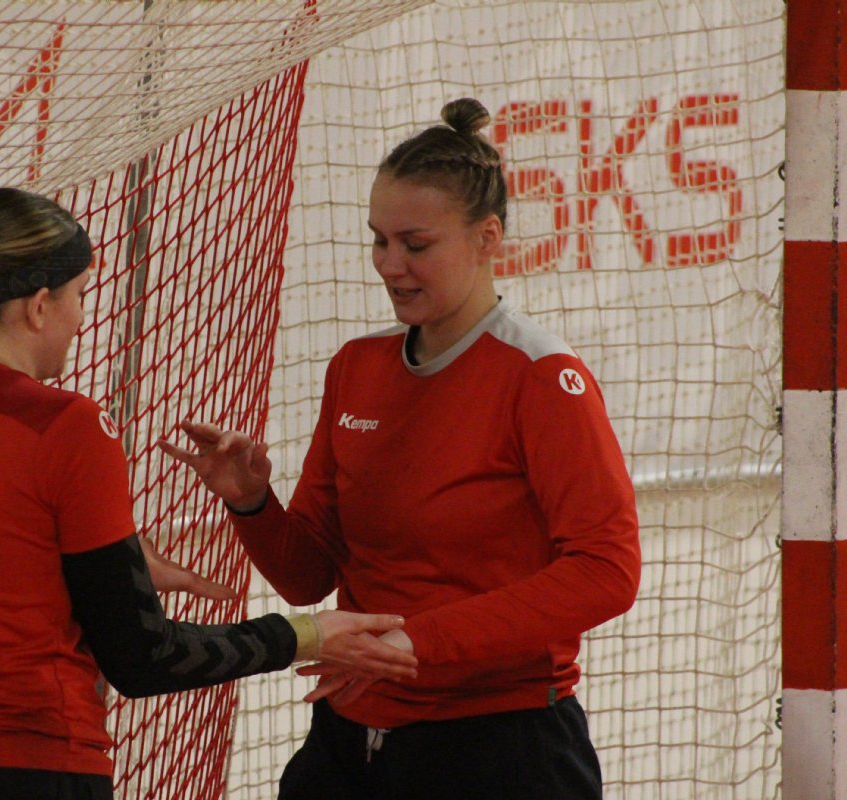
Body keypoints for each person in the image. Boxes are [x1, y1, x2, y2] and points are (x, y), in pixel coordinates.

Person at [0, 187, 419, 800]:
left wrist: (108, 568)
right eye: (79, 296)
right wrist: (307, 634)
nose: (80, 319)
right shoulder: (66, 426)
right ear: (39, 307)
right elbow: (143, 657)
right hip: (31, 769)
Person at [160, 98, 641, 799]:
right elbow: (308, 576)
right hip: (348, 740)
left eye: (416, 245)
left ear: (488, 237)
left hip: (500, 745)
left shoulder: (541, 377)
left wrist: (418, 641)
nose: (390, 265)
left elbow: (607, 572)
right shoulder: (357, 367)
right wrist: (252, 503)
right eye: (379, 241)